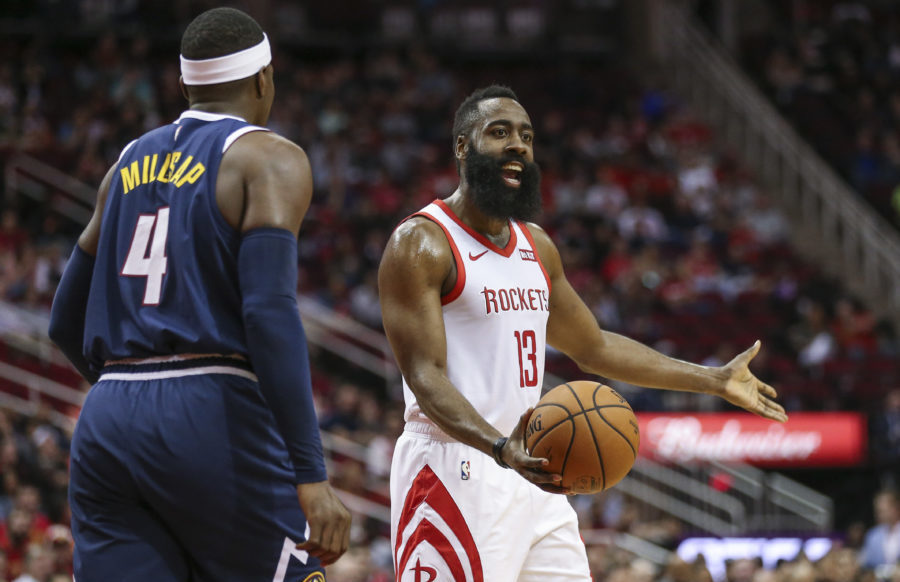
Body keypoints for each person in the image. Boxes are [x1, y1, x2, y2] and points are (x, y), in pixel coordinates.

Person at [378, 85, 788, 581]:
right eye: (499, 132)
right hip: (457, 465)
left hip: (534, 470)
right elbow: (424, 374)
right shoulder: (422, 242)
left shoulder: (537, 246)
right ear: (463, 147)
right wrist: (498, 446)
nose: (518, 146)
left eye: (526, 136)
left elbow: (594, 347)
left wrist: (713, 379)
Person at [47, 8, 350, 581]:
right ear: (264, 79)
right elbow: (267, 313)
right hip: (211, 411)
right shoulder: (268, 157)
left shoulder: (123, 166)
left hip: (108, 414)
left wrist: (134, 394)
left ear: (185, 85)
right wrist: (310, 473)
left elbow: (65, 320)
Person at [860, 489, 900, 575]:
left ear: (896, 508)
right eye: (878, 511)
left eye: (883, 511)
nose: (880, 515)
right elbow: (866, 563)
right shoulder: (873, 535)